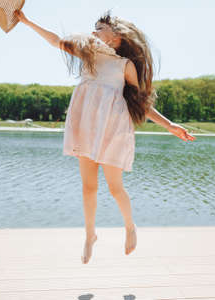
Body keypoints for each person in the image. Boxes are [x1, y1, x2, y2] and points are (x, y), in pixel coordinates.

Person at [14, 9, 196, 264]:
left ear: (116, 35)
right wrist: (26, 21)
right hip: (87, 124)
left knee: (114, 187)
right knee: (88, 187)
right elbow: (55, 41)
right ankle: (90, 236)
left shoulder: (125, 65)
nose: (93, 32)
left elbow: (140, 103)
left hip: (113, 128)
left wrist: (169, 125)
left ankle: (130, 227)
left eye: (99, 28)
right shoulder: (87, 53)